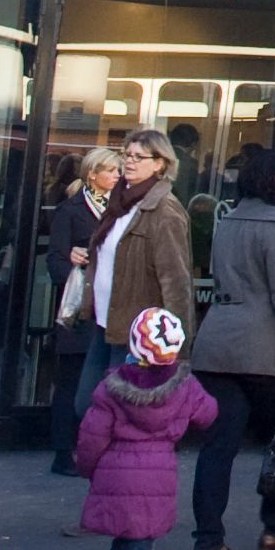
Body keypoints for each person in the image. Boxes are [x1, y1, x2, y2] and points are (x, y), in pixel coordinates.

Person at [189, 146, 275, 550]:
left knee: (218, 447)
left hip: (217, 346)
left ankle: (208, 539)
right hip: (266, 352)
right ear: (272, 181)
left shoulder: (227, 221)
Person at [69, 306, 215, 550]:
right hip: (156, 480)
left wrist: (90, 471)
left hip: (115, 477)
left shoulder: (111, 387)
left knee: (123, 545)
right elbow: (209, 414)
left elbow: (90, 439)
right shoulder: (185, 386)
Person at [92, 126, 195, 378]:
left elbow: (176, 282)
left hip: (139, 333)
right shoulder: (120, 202)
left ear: (160, 164)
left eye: (139, 157)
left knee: (105, 406)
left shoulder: (165, 211)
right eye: (127, 155)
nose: (129, 161)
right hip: (104, 322)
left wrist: (176, 345)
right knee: (88, 405)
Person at [45, 149, 121, 475]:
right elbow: (55, 261)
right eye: (112, 170)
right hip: (79, 311)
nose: (118, 175)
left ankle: (92, 448)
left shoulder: (121, 209)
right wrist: (80, 271)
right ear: (93, 175)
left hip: (108, 308)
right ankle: (64, 451)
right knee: (71, 383)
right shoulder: (71, 210)